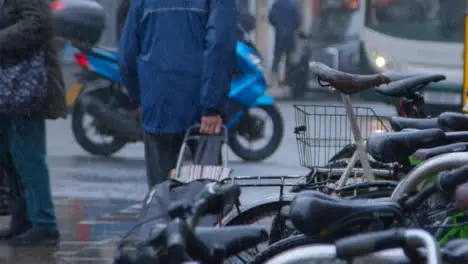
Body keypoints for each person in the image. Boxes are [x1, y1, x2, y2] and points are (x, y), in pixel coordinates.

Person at [119, 0, 237, 188]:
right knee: (205, 194)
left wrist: (140, 98)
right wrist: (212, 106)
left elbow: (127, 55)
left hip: (158, 103)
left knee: (161, 193)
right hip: (202, 109)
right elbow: (220, 45)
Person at [0, 0, 67, 246]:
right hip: (5, 83)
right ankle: (23, 219)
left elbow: (39, 23)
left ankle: (44, 224)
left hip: (25, 83)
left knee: (28, 156)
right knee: (8, 155)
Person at [269, 0, 302, 84]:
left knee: (277, 57)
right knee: (289, 58)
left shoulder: (276, 4)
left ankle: (273, 79)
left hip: (279, 34)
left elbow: (271, 17)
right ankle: (288, 80)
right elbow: (298, 19)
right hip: (290, 35)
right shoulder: (293, 4)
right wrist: (292, 27)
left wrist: (278, 26)